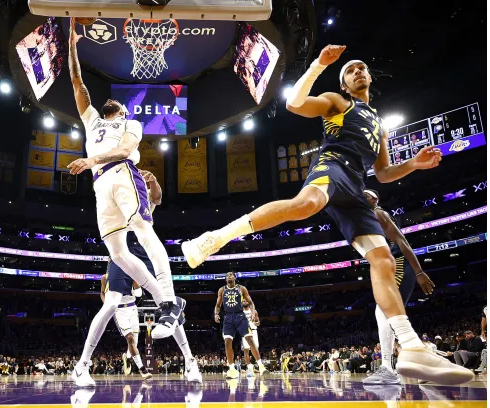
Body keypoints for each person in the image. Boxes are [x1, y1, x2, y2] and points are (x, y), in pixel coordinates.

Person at [182, 44, 472, 385]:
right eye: (351, 70)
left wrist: (415, 164)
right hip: (332, 166)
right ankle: (215, 238)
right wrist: (319, 64)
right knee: (305, 205)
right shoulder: (339, 101)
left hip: (356, 185)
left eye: (363, 67)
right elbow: (294, 103)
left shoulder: (379, 124)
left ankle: (410, 347)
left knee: (384, 261)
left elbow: (383, 174)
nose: (359, 71)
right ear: (345, 84)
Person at [65, 17, 182, 342]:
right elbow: (77, 83)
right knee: (117, 253)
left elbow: (126, 150)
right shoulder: (92, 120)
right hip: (100, 184)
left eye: (115, 104)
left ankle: (169, 302)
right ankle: (164, 298)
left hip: (121, 173)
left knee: (144, 231)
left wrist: (92, 159)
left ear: (124, 111)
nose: (108, 102)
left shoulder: (131, 125)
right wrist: (72, 45)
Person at [71, 170, 201, 387]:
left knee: (167, 305)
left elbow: (157, 197)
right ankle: (82, 365)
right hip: (120, 252)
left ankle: (190, 361)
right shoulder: (116, 191)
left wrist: (154, 180)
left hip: (144, 252)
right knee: (111, 304)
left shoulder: (141, 194)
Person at [362, 188, 436, 385]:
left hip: (400, 264)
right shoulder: (364, 218)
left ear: (374, 199)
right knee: (390, 317)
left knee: (385, 312)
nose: (363, 197)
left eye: (367, 195)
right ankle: (422, 367)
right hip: (387, 267)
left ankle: (388, 368)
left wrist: (419, 272)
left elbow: (402, 241)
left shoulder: (379, 213)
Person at [100, 271, 152, 381]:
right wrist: (107, 305)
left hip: (132, 308)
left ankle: (127, 357)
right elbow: (102, 293)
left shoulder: (130, 273)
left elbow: (138, 293)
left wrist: (134, 277)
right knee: (130, 338)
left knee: (135, 342)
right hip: (119, 310)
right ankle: (142, 370)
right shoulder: (105, 277)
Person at [214, 272, 266, 379]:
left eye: (231, 275)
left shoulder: (241, 288)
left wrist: (252, 312)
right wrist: (216, 314)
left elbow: (250, 303)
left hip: (240, 316)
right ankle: (232, 369)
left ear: (235, 277)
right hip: (228, 317)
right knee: (227, 341)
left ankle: (261, 366)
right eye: (227, 275)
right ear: (225, 279)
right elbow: (218, 305)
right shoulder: (221, 290)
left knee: (249, 339)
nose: (229, 276)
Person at [241, 299, 262, 377]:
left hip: (254, 331)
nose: (245, 302)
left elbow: (258, 323)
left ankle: (259, 366)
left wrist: (254, 322)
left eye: (245, 301)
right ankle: (249, 369)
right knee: (246, 350)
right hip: (245, 332)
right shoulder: (240, 313)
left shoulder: (254, 311)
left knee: (256, 350)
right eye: (243, 301)